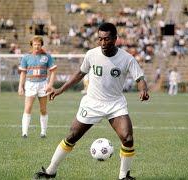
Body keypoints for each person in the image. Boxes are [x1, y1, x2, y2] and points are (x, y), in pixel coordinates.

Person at [34, 22, 149, 180]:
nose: (102, 43)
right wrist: (60, 89)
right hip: (92, 102)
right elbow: (79, 75)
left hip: (115, 104)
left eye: (107, 39)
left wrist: (143, 89)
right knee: (72, 136)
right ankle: (50, 171)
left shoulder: (127, 58)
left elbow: (140, 78)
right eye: (100, 39)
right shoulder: (91, 54)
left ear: (115, 39)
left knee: (127, 138)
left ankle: (124, 176)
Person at [18, 36, 57, 138]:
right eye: (35, 44)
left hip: (43, 84)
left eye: (39, 44)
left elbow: (53, 72)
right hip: (30, 84)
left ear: (41, 45)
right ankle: (24, 133)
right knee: (28, 108)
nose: (37, 46)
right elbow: (23, 73)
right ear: (32, 45)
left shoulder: (47, 57)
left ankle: (43, 133)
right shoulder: (26, 57)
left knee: (43, 109)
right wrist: (20, 86)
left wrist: (50, 85)